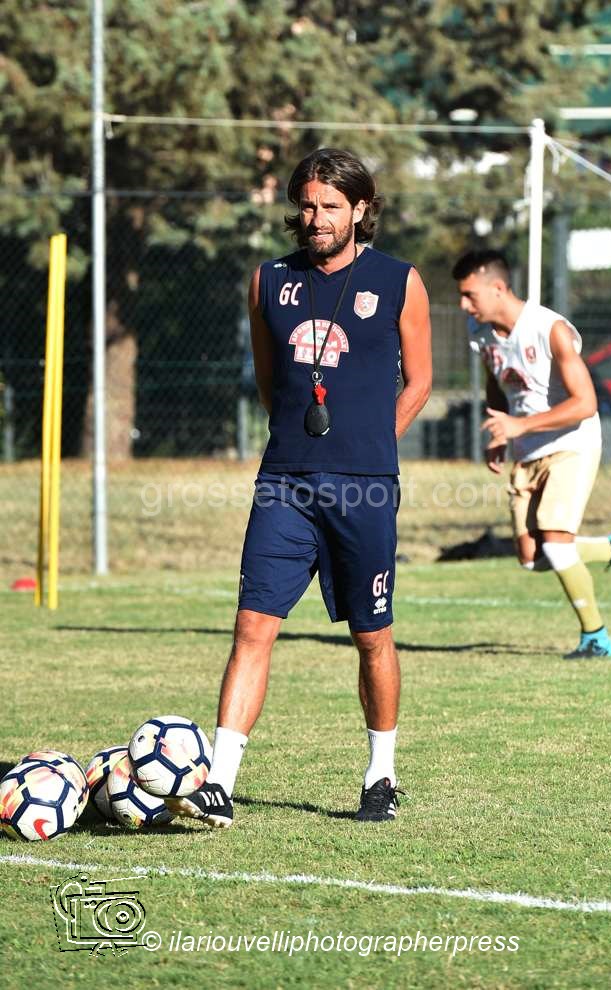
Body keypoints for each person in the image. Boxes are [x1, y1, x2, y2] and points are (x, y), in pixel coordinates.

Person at [167, 149, 432, 827]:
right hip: (283, 482)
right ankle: (219, 784)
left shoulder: (399, 281)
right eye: (308, 206)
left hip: (365, 486)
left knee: (371, 635)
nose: (317, 219)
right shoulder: (268, 281)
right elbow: (270, 381)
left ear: (361, 210)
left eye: (331, 207)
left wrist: (373, 442)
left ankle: (381, 776)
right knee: (252, 626)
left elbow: (420, 380)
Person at [452, 249, 611, 660]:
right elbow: (496, 379)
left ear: (498, 288)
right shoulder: (480, 331)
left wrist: (519, 426)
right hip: (527, 450)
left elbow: (585, 403)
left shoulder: (549, 329)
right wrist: (500, 431)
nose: (463, 305)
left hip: (571, 444)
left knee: (557, 545)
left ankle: (596, 638)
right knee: (532, 558)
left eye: (470, 295)